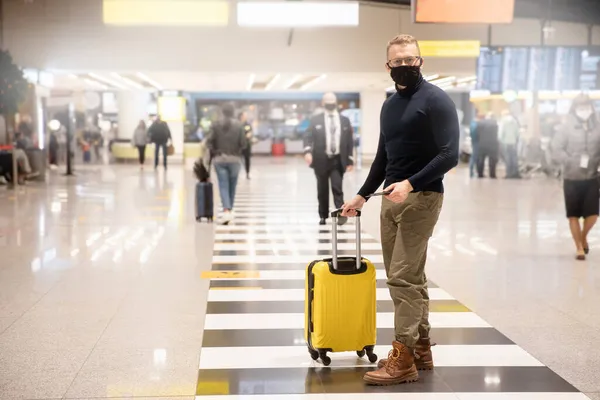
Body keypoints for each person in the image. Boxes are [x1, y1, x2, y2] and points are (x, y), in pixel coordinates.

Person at [341, 34, 459, 386]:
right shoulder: (389, 105)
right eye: (399, 62)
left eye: (412, 60)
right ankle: (422, 348)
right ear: (388, 65)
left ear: (420, 62)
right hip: (389, 202)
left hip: (422, 198)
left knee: (402, 279)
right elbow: (384, 156)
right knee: (411, 277)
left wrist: (411, 182)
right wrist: (362, 195)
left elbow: (449, 154)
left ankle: (402, 356)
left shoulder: (437, 100)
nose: (406, 66)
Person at [552, 93, 600, 261]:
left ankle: (583, 236)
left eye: (587, 107)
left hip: (592, 177)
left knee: (593, 214)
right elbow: (556, 148)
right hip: (572, 178)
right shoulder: (566, 128)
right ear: (574, 109)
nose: (584, 110)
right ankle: (579, 247)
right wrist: (569, 161)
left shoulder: (598, 127)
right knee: (573, 215)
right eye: (581, 107)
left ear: (592, 108)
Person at [304, 92, 355, 226]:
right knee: (322, 189)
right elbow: (308, 136)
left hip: (338, 160)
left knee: (337, 187)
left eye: (332, 101)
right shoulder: (316, 120)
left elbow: (349, 141)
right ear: (323, 103)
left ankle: (340, 213)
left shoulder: (344, 120)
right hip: (321, 160)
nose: (330, 104)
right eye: (328, 101)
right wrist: (308, 151)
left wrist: (350, 159)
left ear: (336, 102)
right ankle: (323, 215)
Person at [206, 103, 247, 225]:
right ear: (233, 112)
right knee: (232, 186)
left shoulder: (215, 125)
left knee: (223, 185)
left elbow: (209, 142)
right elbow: (244, 143)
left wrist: (214, 151)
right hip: (235, 160)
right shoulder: (239, 126)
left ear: (222, 112)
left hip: (220, 159)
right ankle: (230, 210)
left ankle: (227, 210)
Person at [498, 109, 521, 179]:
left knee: (508, 158)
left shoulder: (503, 121)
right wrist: (516, 139)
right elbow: (517, 132)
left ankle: (509, 173)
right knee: (514, 157)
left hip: (506, 142)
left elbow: (501, 132)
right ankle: (515, 173)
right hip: (513, 142)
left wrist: (500, 140)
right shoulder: (514, 121)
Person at [476, 112, 499, 178]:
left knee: (481, 159)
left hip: (482, 143)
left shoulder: (480, 123)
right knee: (492, 160)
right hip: (492, 144)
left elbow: (477, 133)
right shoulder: (495, 123)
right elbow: (497, 134)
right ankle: (492, 174)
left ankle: (480, 174)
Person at [239, 112, 253, 179]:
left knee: (247, 159)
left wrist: (245, 137)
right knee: (237, 159)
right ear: (241, 116)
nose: (246, 117)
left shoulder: (247, 125)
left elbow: (249, 133)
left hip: (246, 145)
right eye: (245, 115)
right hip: (238, 146)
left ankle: (247, 173)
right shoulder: (237, 124)